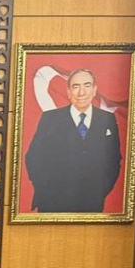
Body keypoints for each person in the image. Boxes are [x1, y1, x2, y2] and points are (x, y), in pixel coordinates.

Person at [24, 69, 122, 213]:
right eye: (76, 86)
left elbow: (114, 160)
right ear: (69, 92)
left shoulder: (107, 119)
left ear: (94, 90)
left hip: (92, 203)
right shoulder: (50, 118)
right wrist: (45, 190)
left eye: (87, 85)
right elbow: (33, 157)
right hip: (52, 203)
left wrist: (100, 191)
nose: (81, 92)